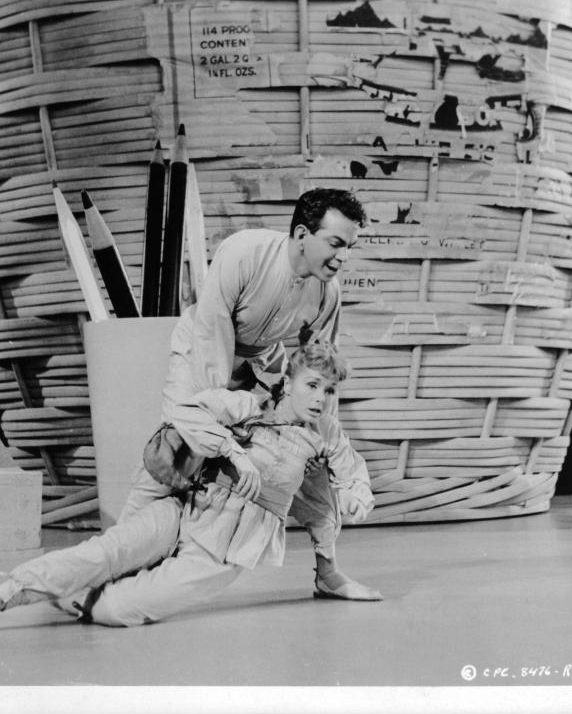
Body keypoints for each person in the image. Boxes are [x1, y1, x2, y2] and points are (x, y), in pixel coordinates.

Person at [0, 341, 377, 635]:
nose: (320, 398)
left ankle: (73, 593)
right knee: (104, 554)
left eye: (330, 390)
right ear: (288, 384)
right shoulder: (247, 406)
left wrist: (355, 502)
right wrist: (234, 452)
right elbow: (183, 410)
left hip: (224, 551)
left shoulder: (326, 435)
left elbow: (350, 480)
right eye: (313, 385)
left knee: (117, 611)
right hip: (186, 508)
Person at [121, 187, 381, 601]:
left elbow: (318, 366)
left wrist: (318, 434)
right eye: (335, 243)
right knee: (179, 443)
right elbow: (212, 330)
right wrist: (221, 417)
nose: (343, 256)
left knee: (308, 447)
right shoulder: (244, 253)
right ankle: (119, 559)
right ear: (301, 233)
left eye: (349, 247)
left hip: (263, 363)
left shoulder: (328, 294)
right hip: (202, 351)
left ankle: (328, 573)